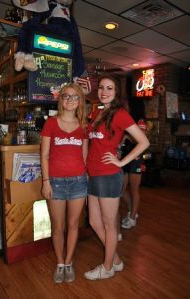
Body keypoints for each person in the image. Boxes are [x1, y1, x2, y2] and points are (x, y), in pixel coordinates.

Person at [84, 74, 150, 280]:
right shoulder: (97, 112)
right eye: (102, 87)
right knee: (94, 222)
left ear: (116, 93)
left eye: (110, 88)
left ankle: (107, 267)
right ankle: (117, 260)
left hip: (108, 175)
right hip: (93, 174)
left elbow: (143, 142)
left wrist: (121, 162)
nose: (104, 91)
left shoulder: (120, 114)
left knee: (109, 224)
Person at [40, 83, 88, 283]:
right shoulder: (51, 122)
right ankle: (60, 263)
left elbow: (84, 154)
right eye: (66, 96)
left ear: (79, 102)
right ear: (61, 99)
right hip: (56, 182)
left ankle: (69, 262)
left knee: (73, 224)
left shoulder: (84, 125)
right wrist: (46, 181)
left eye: (74, 97)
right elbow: (44, 155)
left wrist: (87, 180)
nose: (70, 99)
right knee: (58, 226)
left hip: (79, 182)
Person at [120, 119, 148, 229]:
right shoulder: (128, 128)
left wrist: (127, 136)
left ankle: (132, 217)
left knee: (134, 190)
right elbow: (121, 143)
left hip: (136, 162)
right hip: (126, 161)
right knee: (121, 190)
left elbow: (141, 139)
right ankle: (132, 210)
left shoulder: (140, 125)